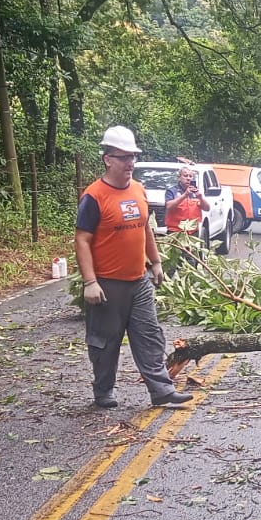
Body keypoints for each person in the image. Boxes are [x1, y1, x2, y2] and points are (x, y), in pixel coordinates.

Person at [74, 126, 194, 410]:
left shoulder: (139, 189)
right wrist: (89, 281)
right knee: (105, 342)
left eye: (133, 158)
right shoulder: (94, 196)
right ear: (108, 159)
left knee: (150, 335)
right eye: (124, 157)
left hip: (138, 280)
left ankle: (162, 391)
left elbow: (145, 229)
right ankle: (103, 392)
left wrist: (156, 262)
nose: (130, 163)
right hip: (107, 283)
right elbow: (82, 240)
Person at [164, 162, 209, 235]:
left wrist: (201, 198)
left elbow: (207, 208)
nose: (188, 178)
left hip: (193, 232)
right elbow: (169, 206)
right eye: (185, 176)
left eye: (190, 176)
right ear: (179, 177)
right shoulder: (172, 191)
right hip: (175, 232)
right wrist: (185, 195)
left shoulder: (196, 192)